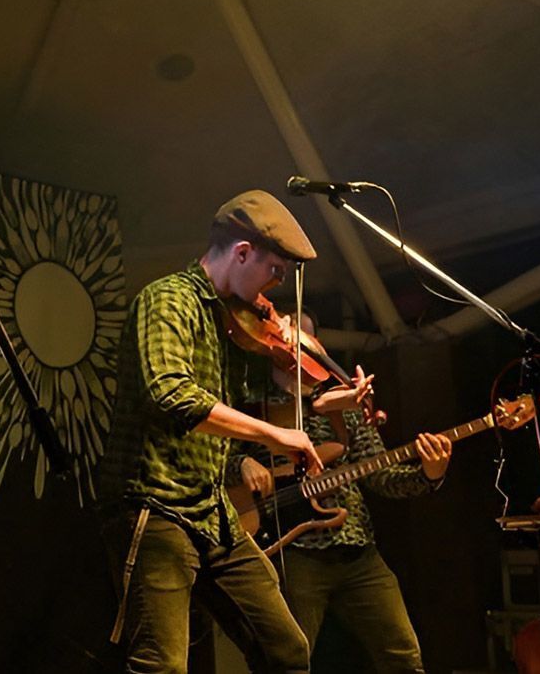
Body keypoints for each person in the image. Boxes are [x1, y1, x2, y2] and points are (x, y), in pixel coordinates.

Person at [99, 190, 377, 674]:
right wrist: (275, 436)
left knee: (287, 652)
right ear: (243, 253)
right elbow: (171, 394)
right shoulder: (167, 301)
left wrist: (328, 402)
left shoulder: (229, 320)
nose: (274, 290)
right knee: (161, 665)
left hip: (212, 510)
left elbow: (255, 397)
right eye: (274, 272)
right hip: (156, 505)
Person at [235, 311, 453, 673]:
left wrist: (431, 474)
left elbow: (382, 475)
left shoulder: (344, 405)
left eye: (309, 341)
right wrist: (240, 465)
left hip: (356, 550)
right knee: (287, 662)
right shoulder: (251, 400)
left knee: (403, 656)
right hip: (292, 550)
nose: (299, 349)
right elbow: (215, 452)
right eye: (290, 338)